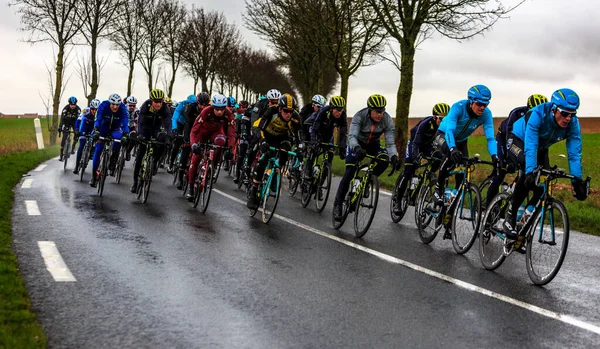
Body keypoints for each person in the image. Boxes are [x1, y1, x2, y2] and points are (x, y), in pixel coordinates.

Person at [502, 88, 588, 240]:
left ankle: (524, 223)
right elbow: (531, 146)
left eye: (572, 114)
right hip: (519, 141)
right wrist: (530, 171)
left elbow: (574, 153)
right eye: (564, 113)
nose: (568, 118)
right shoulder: (537, 114)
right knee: (526, 169)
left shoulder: (573, 124)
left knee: (543, 184)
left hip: (541, 148)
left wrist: (576, 180)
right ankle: (511, 214)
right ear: (554, 109)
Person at [431, 85, 499, 213]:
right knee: (449, 154)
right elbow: (450, 131)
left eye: (486, 104)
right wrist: (452, 148)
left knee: (463, 167)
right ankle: (438, 188)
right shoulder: (458, 107)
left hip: (462, 141)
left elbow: (490, 138)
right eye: (479, 104)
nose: (483, 107)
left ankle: (452, 202)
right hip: (444, 135)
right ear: (471, 100)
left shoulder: (486, 114)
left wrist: (495, 156)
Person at [333, 94, 398, 221]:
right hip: (357, 143)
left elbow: (390, 143)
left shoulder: (387, 120)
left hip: (373, 145)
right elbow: (351, 136)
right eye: (377, 111)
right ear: (370, 110)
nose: (380, 114)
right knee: (349, 172)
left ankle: (368, 181)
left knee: (384, 160)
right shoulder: (360, 116)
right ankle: (338, 204)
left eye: (382, 111)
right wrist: (356, 148)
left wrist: (394, 156)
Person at [484, 94, 548, 207]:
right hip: (505, 138)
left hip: (525, 141)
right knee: (501, 170)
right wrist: (509, 160)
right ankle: (488, 208)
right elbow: (509, 137)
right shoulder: (517, 113)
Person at [246, 93, 303, 210]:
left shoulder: (295, 118)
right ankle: (254, 191)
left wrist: (300, 149)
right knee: (263, 160)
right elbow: (260, 128)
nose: (288, 114)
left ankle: (276, 171)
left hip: (282, 138)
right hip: (266, 136)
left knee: (286, 148)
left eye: (291, 111)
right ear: (280, 108)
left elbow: (298, 136)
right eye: (286, 111)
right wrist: (262, 141)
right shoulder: (271, 111)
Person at [392, 102, 449, 215]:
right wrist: (415, 157)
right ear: (434, 117)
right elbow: (416, 142)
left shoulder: (446, 127)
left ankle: (430, 175)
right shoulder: (425, 124)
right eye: (441, 119)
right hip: (415, 144)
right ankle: (398, 201)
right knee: (408, 171)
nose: (443, 122)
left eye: (446, 119)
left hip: (428, 146)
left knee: (439, 158)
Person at [187, 94, 234, 201]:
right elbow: (194, 130)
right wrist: (193, 144)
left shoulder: (228, 113)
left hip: (217, 132)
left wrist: (230, 148)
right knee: (196, 158)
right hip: (202, 132)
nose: (219, 112)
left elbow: (231, 133)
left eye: (222, 109)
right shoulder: (206, 111)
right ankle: (190, 187)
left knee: (221, 141)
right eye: (217, 109)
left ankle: (213, 164)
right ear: (213, 107)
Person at [130, 89, 172, 193]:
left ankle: (155, 161)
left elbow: (168, 122)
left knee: (162, 141)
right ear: (151, 100)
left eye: (160, 102)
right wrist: (139, 134)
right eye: (156, 102)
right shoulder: (146, 105)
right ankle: (135, 183)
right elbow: (140, 121)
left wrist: (169, 135)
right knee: (140, 157)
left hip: (157, 129)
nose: (158, 104)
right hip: (145, 128)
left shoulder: (164, 108)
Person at [304, 95, 347, 182]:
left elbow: (343, 133)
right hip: (318, 131)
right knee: (314, 150)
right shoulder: (324, 111)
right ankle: (308, 170)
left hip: (328, 135)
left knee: (329, 157)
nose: (339, 112)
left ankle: (320, 183)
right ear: (331, 108)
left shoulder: (342, 116)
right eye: (337, 110)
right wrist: (313, 141)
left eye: (341, 110)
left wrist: (342, 147)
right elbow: (315, 129)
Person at [89, 94, 129, 187]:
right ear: (109, 103)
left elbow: (125, 122)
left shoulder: (123, 109)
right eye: (113, 104)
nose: (115, 107)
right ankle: (94, 176)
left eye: (117, 105)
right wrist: (97, 130)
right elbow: (98, 119)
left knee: (118, 140)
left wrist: (126, 134)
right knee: (98, 150)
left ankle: (113, 160)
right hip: (103, 128)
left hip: (115, 129)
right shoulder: (103, 105)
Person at [168, 94, 196, 173]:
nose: (190, 105)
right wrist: (174, 129)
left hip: (190, 125)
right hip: (180, 123)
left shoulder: (195, 108)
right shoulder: (182, 104)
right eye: (189, 103)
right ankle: (171, 164)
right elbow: (174, 118)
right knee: (177, 144)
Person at [73, 100, 100, 175]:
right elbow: (78, 121)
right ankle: (77, 166)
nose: (94, 111)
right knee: (81, 146)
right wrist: (77, 130)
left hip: (93, 128)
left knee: (94, 140)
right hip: (85, 127)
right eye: (93, 109)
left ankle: (91, 152)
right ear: (90, 108)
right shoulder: (85, 110)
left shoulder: (100, 113)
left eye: (96, 110)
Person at [58, 96, 81, 161]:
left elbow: (79, 120)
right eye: (71, 105)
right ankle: (61, 155)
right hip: (66, 122)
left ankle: (73, 147)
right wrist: (60, 127)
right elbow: (62, 119)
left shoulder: (78, 109)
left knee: (76, 134)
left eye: (74, 105)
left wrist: (77, 130)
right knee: (64, 137)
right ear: (69, 104)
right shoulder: (66, 108)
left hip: (74, 123)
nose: (73, 106)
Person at [124, 95, 139, 161]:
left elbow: (140, 117)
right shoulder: (123, 109)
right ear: (127, 104)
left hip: (131, 127)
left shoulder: (136, 111)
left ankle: (128, 152)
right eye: (130, 105)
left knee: (134, 139)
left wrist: (138, 119)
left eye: (134, 106)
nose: (132, 107)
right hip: (123, 127)